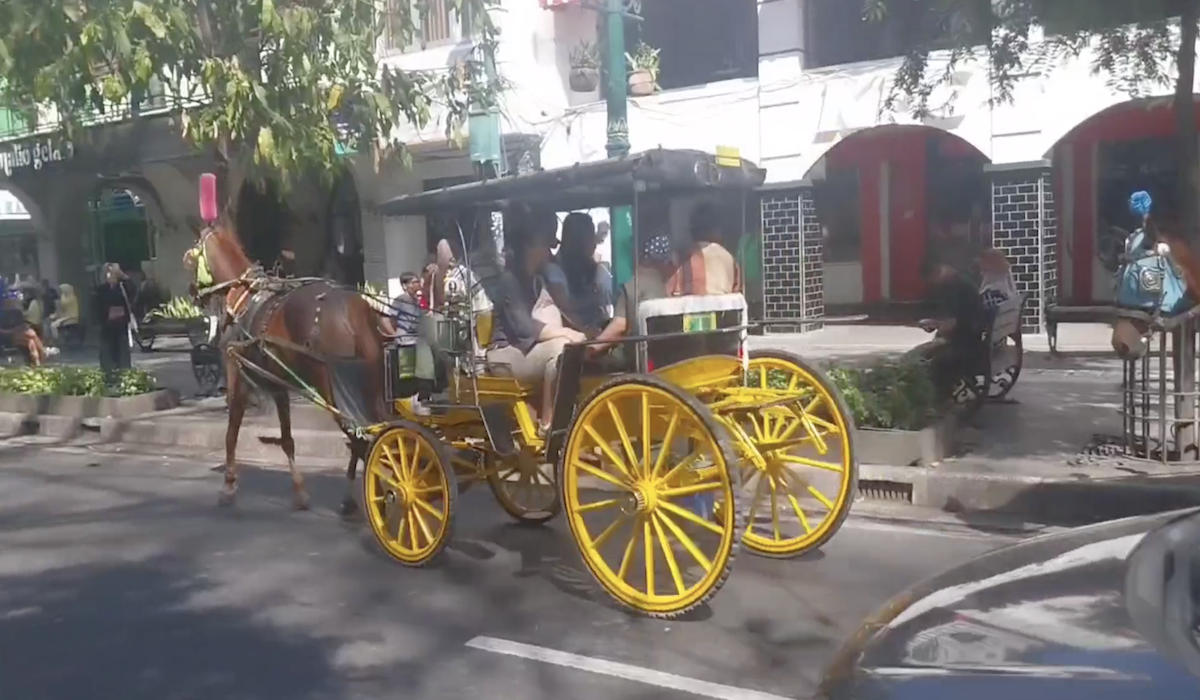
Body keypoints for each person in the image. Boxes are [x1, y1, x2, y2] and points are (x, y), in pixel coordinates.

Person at [487, 231, 586, 436]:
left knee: (569, 349)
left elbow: (559, 311)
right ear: (529, 249)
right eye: (543, 246)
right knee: (560, 348)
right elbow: (525, 329)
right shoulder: (509, 282)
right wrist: (567, 333)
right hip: (505, 354)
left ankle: (566, 417)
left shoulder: (536, 280)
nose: (548, 252)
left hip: (527, 349)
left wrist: (584, 331)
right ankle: (548, 424)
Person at [589, 234, 676, 363]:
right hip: (663, 356)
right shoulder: (666, 285)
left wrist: (591, 349)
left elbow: (620, 326)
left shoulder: (633, 285)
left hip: (635, 359)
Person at [918, 261, 988, 401]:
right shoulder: (963, 282)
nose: (933, 285)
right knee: (930, 350)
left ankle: (940, 399)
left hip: (967, 347)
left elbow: (951, 325)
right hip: (975, 339)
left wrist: (935, 325)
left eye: (932, 280)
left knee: (924, 358)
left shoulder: (955, 288)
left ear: (936, 274)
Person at [668, 201, 742, 296]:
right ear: (717, 229)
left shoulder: (684, 257)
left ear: (692, 231)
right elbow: (737, 292)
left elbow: (671, 292)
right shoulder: (729, 259)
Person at [558, 212, 614, 329]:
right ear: (576, 240)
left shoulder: (596, 270)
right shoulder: (555, 270)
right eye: (589, 237)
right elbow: (563, 306)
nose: (594, 243)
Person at [390, 272, 435, 415]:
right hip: (405, 341)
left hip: (417, 340)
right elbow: (390, 319)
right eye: (414, 282)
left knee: (419, 373)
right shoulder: (401, 300)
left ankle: (418, 401)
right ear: (405, 285)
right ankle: (405, 403)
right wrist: (393, 334)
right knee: (407, 374)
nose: (417, 285)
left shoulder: (417, 301)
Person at [94, 263, 136, 372]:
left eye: (113, 273)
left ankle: (125, 376)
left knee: (123, 356)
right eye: (109, 273)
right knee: (108, 357)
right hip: (107, 327)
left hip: (121, 326)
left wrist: (123, 276)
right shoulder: (100, 289)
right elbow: (97, 307)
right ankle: (110, 376)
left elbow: (133, 292)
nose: (111, 276)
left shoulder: (122, 288)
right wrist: (107, 314)